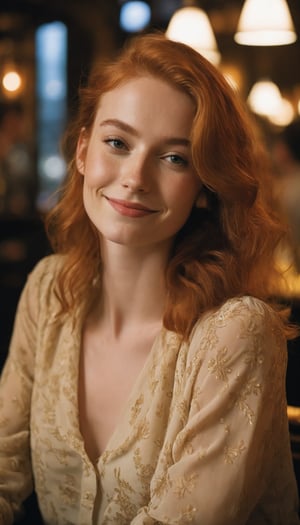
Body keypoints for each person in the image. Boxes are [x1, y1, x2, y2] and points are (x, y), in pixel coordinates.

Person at [0, 32, 299, 525]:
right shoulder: (48, 291)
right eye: (117, 142)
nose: (136, 177)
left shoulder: (236, 333)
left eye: (174, 157)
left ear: (204, 186)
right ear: (82, 151)